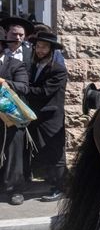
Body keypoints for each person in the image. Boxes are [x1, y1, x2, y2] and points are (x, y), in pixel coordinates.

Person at [26, 31, 68, 202]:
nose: (40, 50)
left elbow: (44, 92)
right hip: (38, 115)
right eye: (38, 46)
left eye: (44, 47)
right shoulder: (35, 66)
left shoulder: (58, 69)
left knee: (55, 151)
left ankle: (60, 187)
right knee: (42, 150)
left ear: (51, 49)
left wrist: (22, 88)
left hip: (52, 116)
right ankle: (51, 182)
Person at [0, 28, 29, 205]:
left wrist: (4, 82)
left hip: (11, 118)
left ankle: (15, 189)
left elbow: (24, 87)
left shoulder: (15, 64)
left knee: (13, 153)